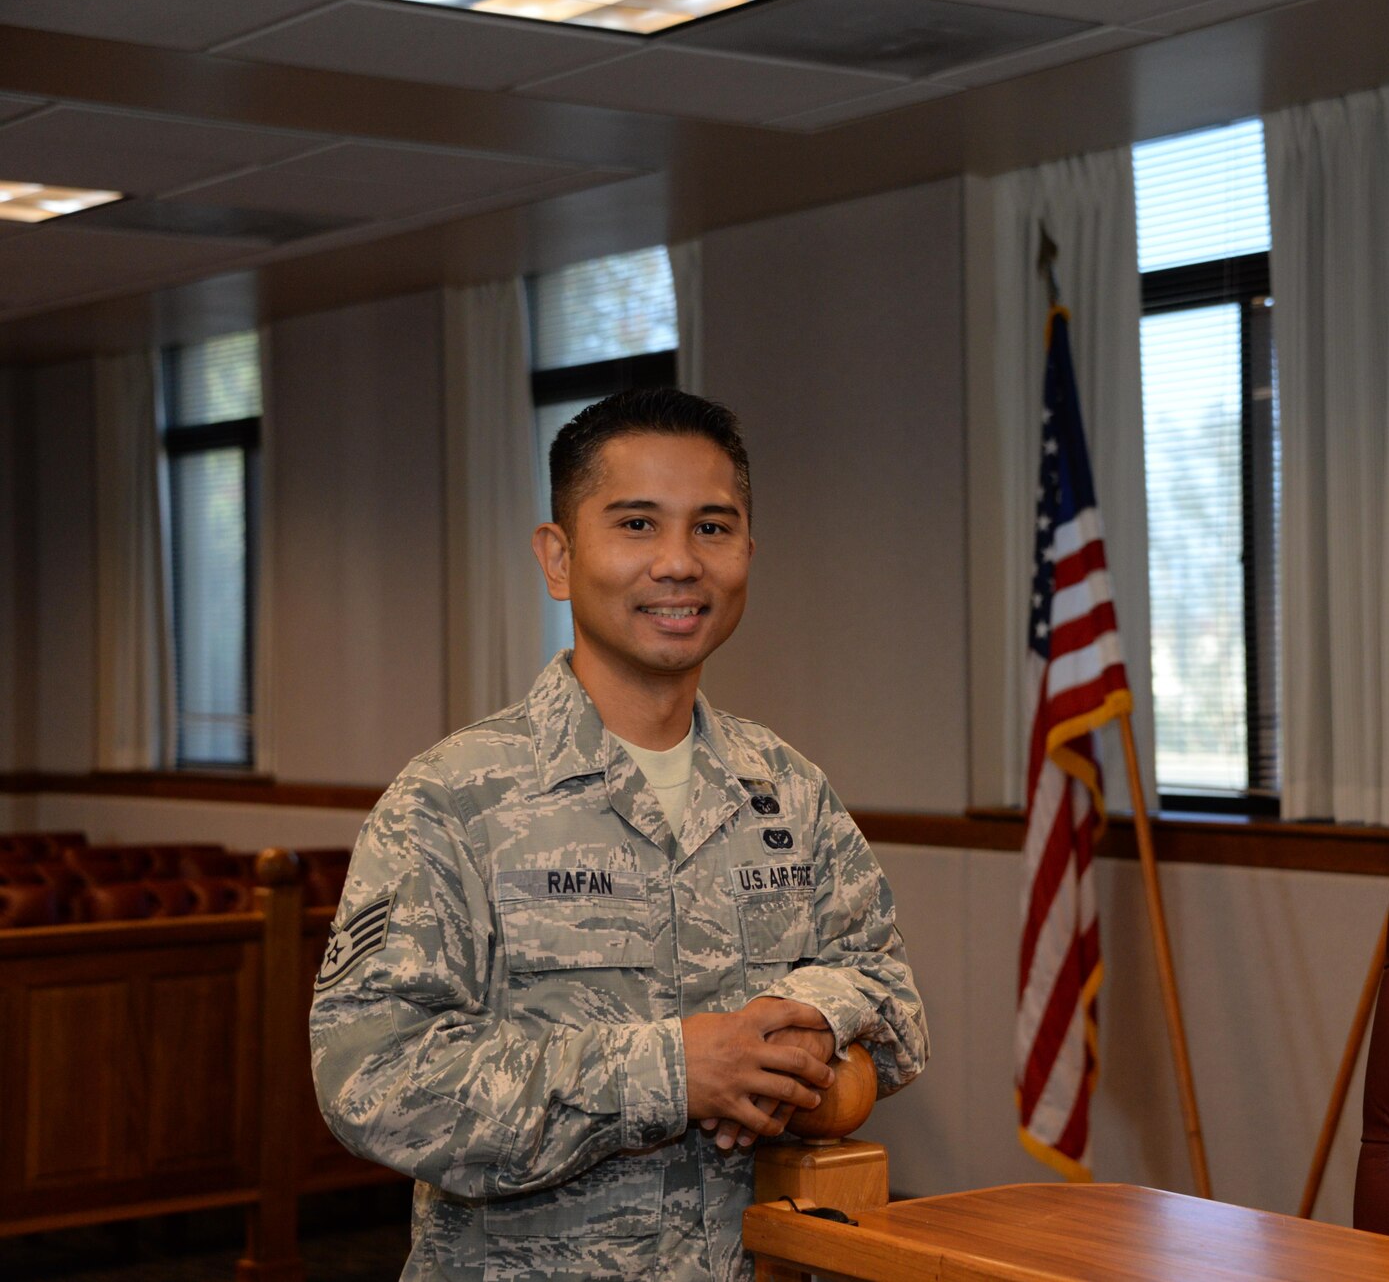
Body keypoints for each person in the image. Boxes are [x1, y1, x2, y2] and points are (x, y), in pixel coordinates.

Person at [309, 388, 928, 1281]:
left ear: (748, 551)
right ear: (558, 557)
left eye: (712, 528)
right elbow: (373, 1081)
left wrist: (810, 1023)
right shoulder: (451, 801)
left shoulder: (786, 790)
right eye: (636, 524)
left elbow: (895, 1001)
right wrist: (670, 1071)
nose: (678, 563)